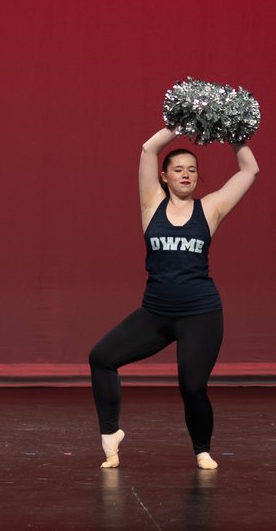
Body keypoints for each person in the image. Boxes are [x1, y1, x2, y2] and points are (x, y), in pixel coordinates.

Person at [90, 126, 259, 470]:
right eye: (178, 169)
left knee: (192, 385)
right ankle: (110, 435)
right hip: (156, 313)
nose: (186, 174)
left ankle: (202, 450)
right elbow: (147, 149)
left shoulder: (210, 209)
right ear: (164, 177)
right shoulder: (151, 204)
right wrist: (179, 125)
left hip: (201, 314)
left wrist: (232, 131)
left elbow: (249, 171)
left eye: (192, 169)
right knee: (101, 357)